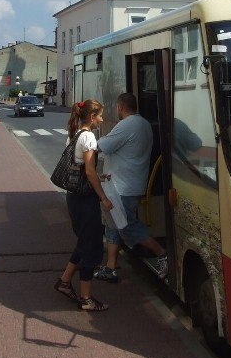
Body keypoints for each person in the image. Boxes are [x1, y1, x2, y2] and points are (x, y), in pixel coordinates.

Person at [95, 93, 168, 283]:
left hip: (123, 186)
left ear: (120, 107)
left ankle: (162, 253)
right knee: (113, 225)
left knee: (126, 226)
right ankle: (110, 268)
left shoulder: (128, 125)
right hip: (130, 183)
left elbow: (102, 146)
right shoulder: (144, 124)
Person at [54, 99, 114, 311]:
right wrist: (103, 198)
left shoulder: (74, 133)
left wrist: (99, 175)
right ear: (91, 117)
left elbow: (79, 168)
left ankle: (64, 281)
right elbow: (87, 171)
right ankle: (86, 298)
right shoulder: (88, 136)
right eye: (99, 115)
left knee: (83, 242)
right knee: (92, 247)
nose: (102, 119)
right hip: (85, 200)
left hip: (74, 197)